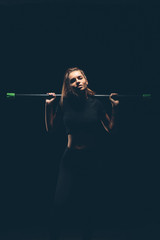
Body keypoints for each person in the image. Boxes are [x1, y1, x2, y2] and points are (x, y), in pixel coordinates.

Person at [45, 67, 119, 240]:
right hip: (70, 159)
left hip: (91, 159)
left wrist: (115, 109)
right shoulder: (64, 103)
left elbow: (111, 130)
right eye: (72, 80)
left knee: (88, 207)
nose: (77, 82)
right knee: (59, 204)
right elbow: (50, 129)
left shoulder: (97, 103)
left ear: (86, 80)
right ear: (69, 86)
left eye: (79, 78)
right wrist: (48, 107)